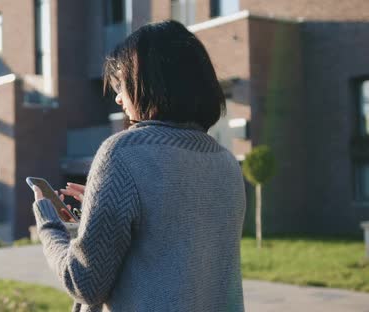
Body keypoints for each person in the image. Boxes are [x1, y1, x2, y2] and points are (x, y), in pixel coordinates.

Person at [31, 20, 246, 312]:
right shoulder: (226, 163)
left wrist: (48, 223)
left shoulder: (123, 154)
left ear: (150, 82)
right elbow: (174, 247)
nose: (119, 97)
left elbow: (84, 283)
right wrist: (101, 210)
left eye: (122, 84)